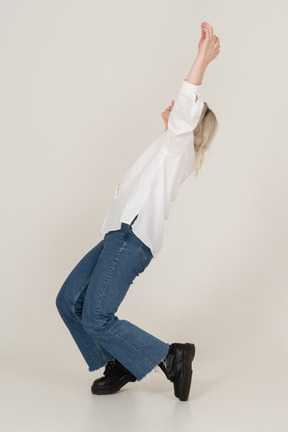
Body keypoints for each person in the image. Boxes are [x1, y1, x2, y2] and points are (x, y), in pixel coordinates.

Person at [56, 21, 220, 402]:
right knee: (69, 301)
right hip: (118, 233)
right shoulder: (166, 147)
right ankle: (121, 361)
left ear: (190, 122)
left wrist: (201, 58)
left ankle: (170, 356)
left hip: (132, 238)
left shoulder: (178, 146)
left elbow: (185, 102)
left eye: (183, 110)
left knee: (97, 316)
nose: (174, 106)